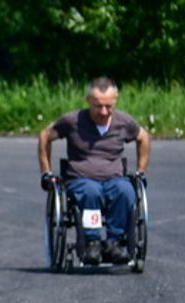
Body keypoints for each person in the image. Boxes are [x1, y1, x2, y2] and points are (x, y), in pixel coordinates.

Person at [38, 76, 150, 265]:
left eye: (108, 106)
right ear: (88, 101)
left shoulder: (123, 121)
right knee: (91, 191)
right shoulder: (73, 121)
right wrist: (46, 172)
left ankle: (115, 242)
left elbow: (143, 137)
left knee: (126, 190)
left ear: (115, 100)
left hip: (114, 178)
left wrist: (141, 171)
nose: (104, 111)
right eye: (98, 106)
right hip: (80, 179)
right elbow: (45, 135)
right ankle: (92, 242)